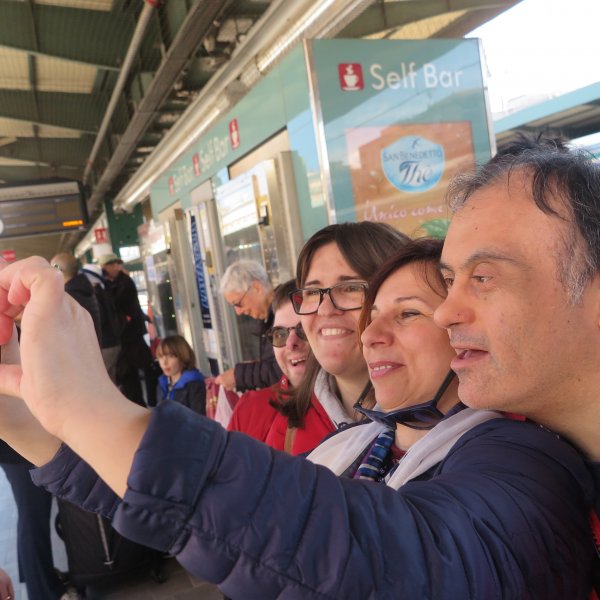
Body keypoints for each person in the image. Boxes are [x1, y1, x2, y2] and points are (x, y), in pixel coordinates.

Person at [0, 247, 593, 598]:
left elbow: (385, 560)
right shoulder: (360, 440)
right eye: (371, 311)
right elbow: (196, 516)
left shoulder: (527, 461)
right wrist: (24, 412)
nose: (368, 332)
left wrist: (89, 407)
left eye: (408, 313)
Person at [283, 222, 409, 432]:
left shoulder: (446, 431)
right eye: (312, 292)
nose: (325, 309)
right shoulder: (283, 426)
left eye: (350, 288)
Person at [228, 279, 328, 455]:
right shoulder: (249, 409)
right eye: (280, 334)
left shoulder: (353, 414)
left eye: (303, 329)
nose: (290, 343)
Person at [215, 260, 282, 392]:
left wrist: (239, 375)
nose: (238, 312)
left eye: (238, 303)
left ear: (257, 287)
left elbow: (284, 371)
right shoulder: (269, 318)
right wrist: (255, 366)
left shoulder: (285, 313)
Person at [100, 253, 155, 407]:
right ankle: (139, 404)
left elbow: (115, 302)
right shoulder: (114, 282)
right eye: (112, 265)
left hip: (131, 335)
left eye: (117, 264)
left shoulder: (123, 282)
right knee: (130, 373)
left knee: (136, 370)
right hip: (126, 336)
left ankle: (147, 403)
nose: (117, 267)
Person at [81, 262, 123, 383]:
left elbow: (101, 321)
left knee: (104, 382)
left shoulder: (96, 295)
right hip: (113, 342)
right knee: (111, 380)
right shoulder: (104, 292)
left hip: (106, 344)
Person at [51, 252, 101, 342]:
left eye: (52, 269)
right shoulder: (83, 287)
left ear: (58, 270)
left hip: (81, 348)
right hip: (92, 345)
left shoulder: (68, 296)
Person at [156, 335, 206, 414]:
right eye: (161, 357)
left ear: (182, 356)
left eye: (171, 356)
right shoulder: (163, 383)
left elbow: (198, 418)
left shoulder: (194, 384)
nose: (164, 363)